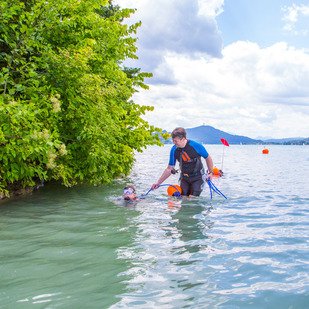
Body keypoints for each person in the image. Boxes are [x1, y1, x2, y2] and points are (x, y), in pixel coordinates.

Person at [151, 127, 214, 196]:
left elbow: (208, 158)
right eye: (173, 140)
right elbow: (169, 168)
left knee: (192, 198)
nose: (173, 143)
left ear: (183, 139)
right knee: (183, 198)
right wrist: (158, 182)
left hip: (198, 178)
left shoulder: (196, 146)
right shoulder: (174, 149)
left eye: (175, 141)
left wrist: (211, 172)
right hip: (184, 178)